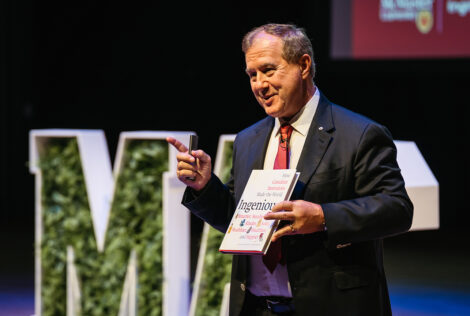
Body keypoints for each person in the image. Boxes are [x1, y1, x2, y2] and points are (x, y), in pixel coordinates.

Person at [167, 23, 413, 316]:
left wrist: (323, 218)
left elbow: (396, 208)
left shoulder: (359, 134)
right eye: (252, 75)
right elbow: (240, 222)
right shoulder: (248, 140)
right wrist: (205, 186)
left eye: (269, 70)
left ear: (304, 65)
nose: (259, 84)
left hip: (332, 306)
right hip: (258, 308)